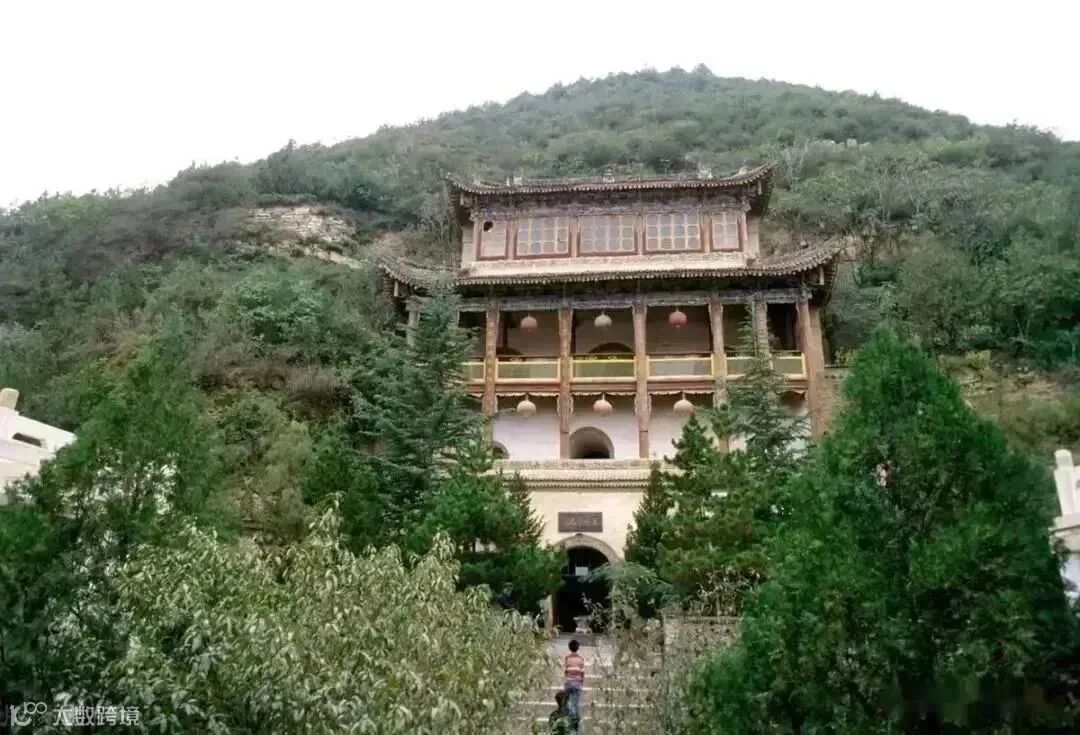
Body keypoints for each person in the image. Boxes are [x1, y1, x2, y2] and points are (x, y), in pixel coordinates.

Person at [562, 639, 586, 730]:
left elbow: (565, 670)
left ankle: (568, 721)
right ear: (578, 648)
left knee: (567, 702)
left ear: (569, 648)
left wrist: (566, 679)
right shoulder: (581, 658)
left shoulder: (567, 658)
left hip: (568, 682)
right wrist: (582, 681)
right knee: (575, 702)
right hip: (577, 683)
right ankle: (575, 721)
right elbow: (582, 672)